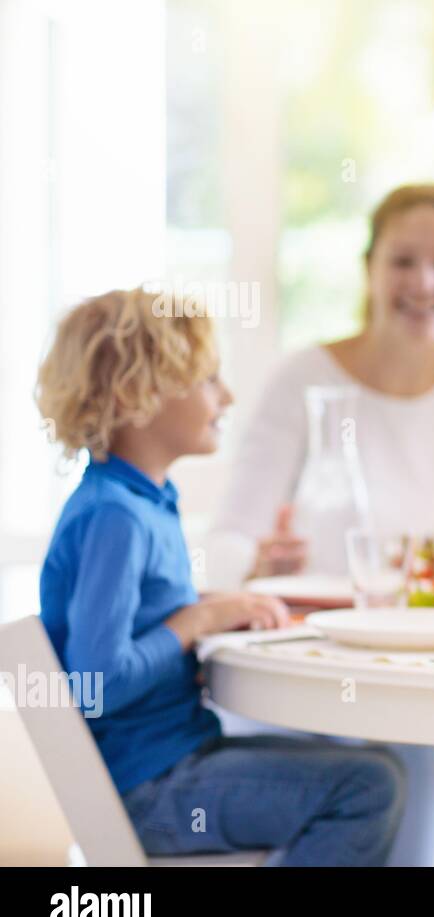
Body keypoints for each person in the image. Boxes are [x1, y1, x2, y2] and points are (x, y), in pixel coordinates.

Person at [35, 288, 405, 865]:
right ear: (139, 395)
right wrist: (199, 617)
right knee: (368, 786)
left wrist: (223, 600)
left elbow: (145, 619)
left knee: (376, 769)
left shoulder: (140, 503)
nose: (226, 395)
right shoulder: (115, 517)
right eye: (208, 379)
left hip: (172, 766)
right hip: (151, 790)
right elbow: (96, 684)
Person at [208, 183, 434, 866]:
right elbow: (224, 545)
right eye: (403, 261)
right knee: (392, 771)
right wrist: (258, 558)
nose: (423, 283)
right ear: (369, 267)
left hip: (405, 673)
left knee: (412, 762)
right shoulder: (302, 379)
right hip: (295, 670)